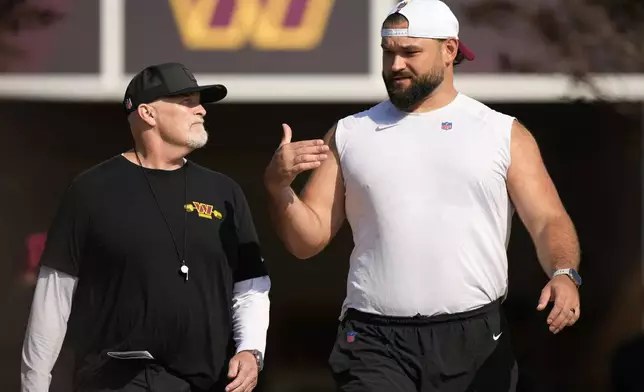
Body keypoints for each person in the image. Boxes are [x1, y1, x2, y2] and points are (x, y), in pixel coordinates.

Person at [263, 1, 581, 391]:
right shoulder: (350, 133)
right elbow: (305, 240)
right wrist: (279, 189)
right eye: (388, 52)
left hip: (474, 339)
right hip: (373, 339)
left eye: (410, 52)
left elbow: (548, 219)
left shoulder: (501, 133)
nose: (395, 65)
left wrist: (564, 274)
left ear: (449, 50)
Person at [21, 62, 270, 392]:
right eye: (186, 102)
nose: (201, 111)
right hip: (113, 381)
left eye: (199, 102)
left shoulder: (224, 193)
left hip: (204, 383)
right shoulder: (90, 190)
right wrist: (34, 384)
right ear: (148, 113)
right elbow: (53, 297)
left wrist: (252, 350)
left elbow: (251, 285)